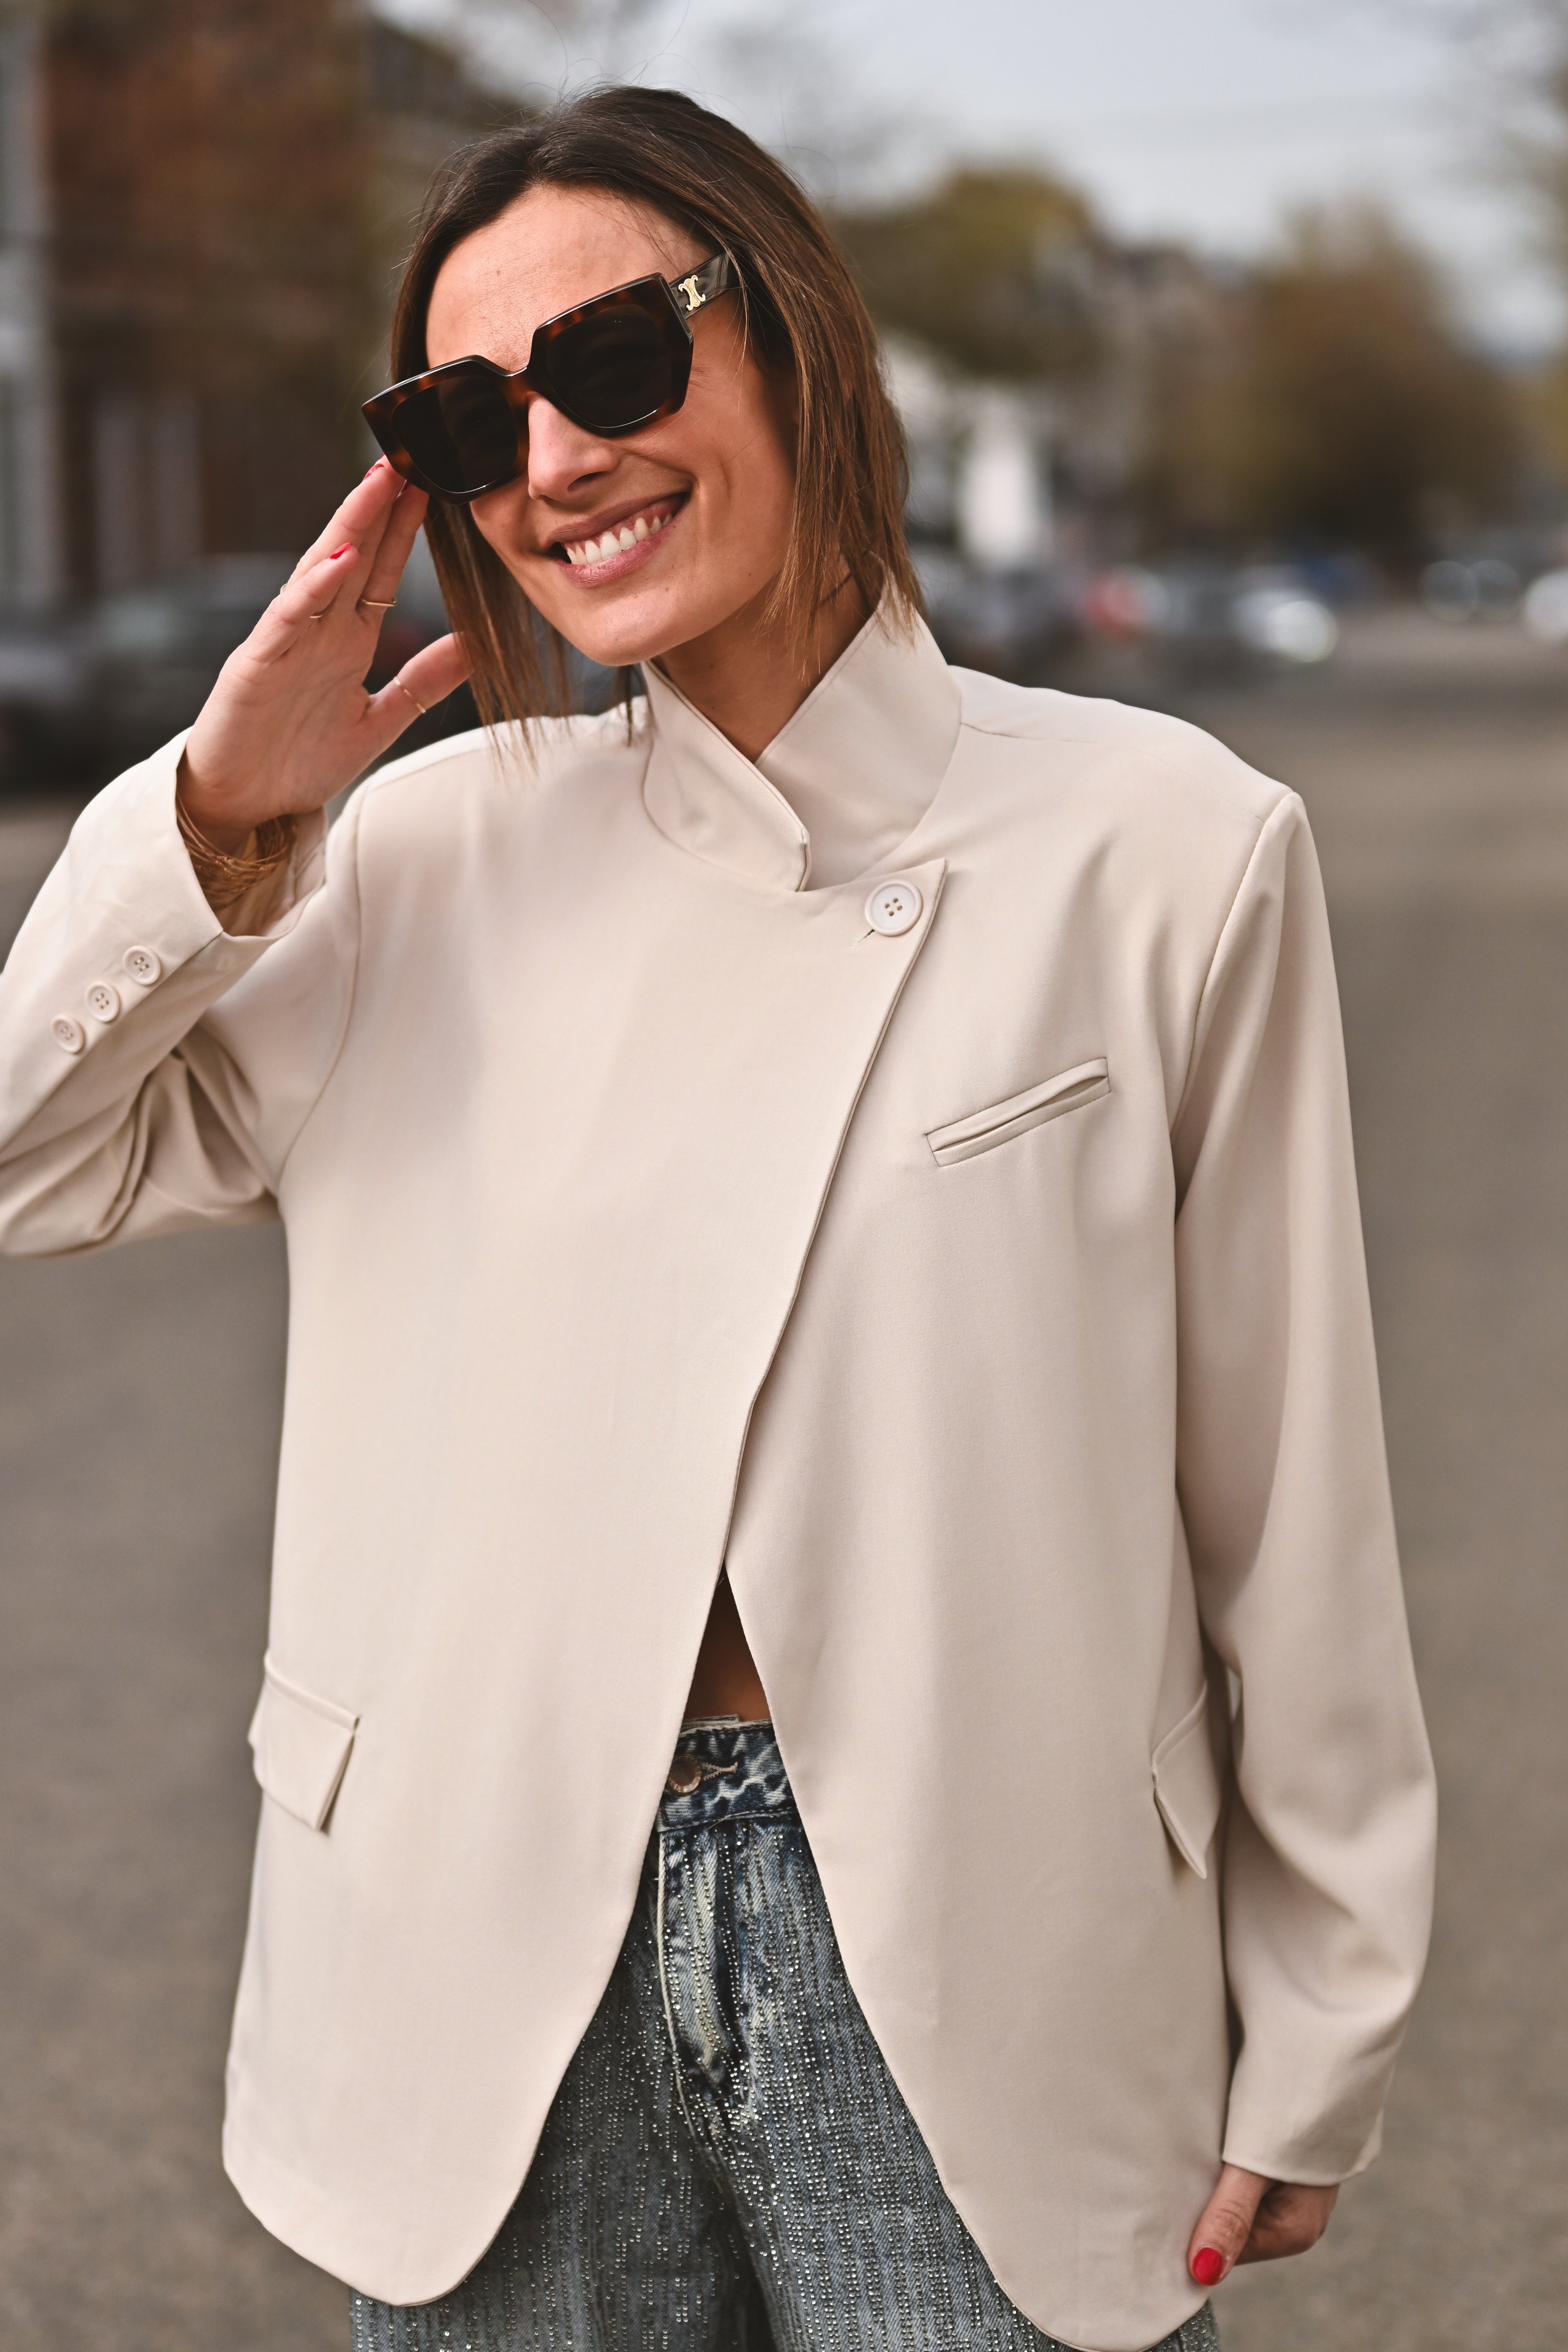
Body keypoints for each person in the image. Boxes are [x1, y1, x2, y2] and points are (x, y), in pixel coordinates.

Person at [0, 87, 1435, 2352]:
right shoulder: (419, 858)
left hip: (986, 1948)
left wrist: (1330, 2008)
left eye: (617, 358)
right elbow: (28, 1156)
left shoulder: (1166, 845)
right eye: (471, 419)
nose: (559, 459)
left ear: (798, 334)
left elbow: (1289, 1499)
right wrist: (215, 823)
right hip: (481, 1942)